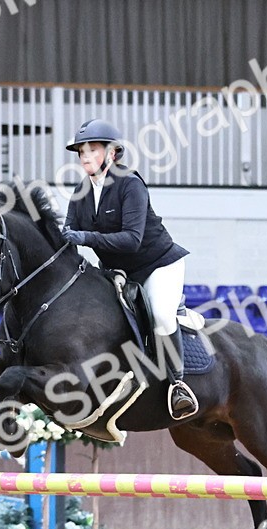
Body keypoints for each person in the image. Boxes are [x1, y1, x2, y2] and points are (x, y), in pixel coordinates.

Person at [60, 119, 197, 420]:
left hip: (157, 265)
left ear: (112, 153)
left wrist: (85, 237)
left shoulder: (130, 184)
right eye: (81, 151)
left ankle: (178, 384)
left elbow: (132, 240)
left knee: (161, 314)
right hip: (118, 272)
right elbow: (67, 232)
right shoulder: (81, 192)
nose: (84, 156)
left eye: (92, 149)